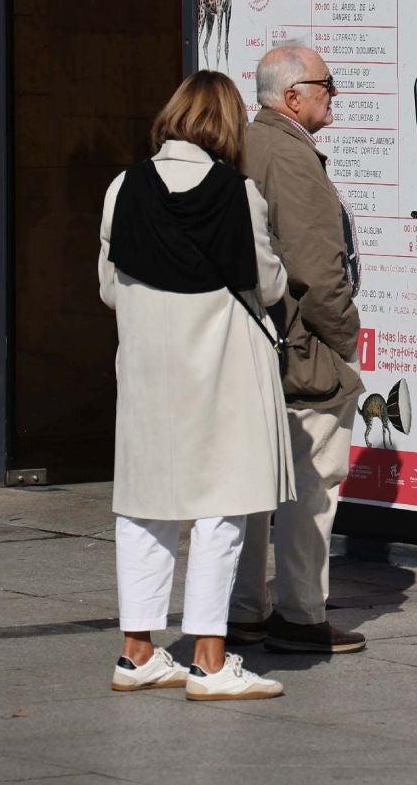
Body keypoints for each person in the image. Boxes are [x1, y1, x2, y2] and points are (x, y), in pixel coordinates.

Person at [100, 70, 292, 701]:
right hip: (221, 364)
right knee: (220, 503)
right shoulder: (238, 193)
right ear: (226, 125)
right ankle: (210, 660)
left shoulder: (123, 187)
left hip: (149, 367)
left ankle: (138, 652)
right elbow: (267, 285)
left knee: (145, 503)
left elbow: (109, 285)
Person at [227, 44, 369, 657]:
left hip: (261, 343)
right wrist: (346, 342)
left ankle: (245, 610)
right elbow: (317, 268)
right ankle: (301, 613)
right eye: (325, 84)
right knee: (314, 482)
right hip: (304, 348)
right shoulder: (290, 157)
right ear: (291, 97)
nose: (333, 94)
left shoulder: (251, 145)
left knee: (255, 485)